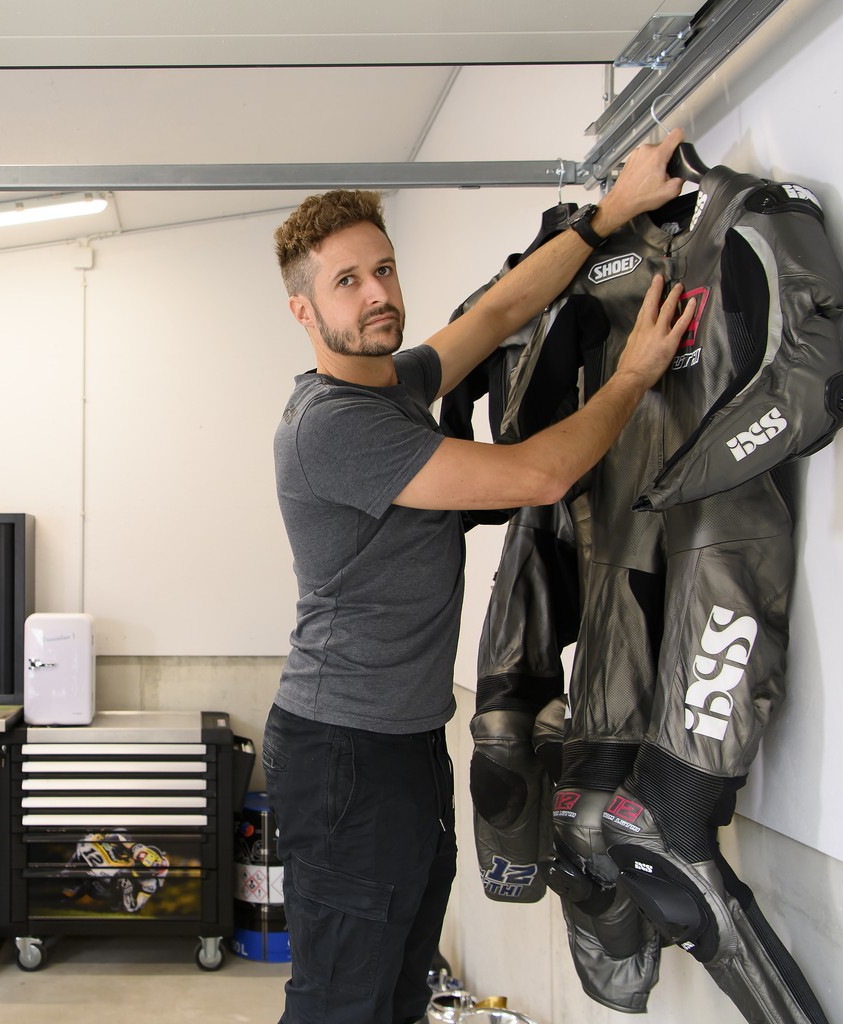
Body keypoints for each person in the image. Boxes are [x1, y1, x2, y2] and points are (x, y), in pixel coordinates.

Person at [263, 129, 696, 1024]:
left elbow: (497, 316)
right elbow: (539, 474)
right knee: (341, 1002)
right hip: (345, 754)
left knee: (397, 990)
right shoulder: (335, 426)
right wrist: (634, 374)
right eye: (347, 282)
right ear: (304, 312)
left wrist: (610, 213)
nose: (378, 293)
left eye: (382, 268)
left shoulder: (390, 384)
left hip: (407, 740)